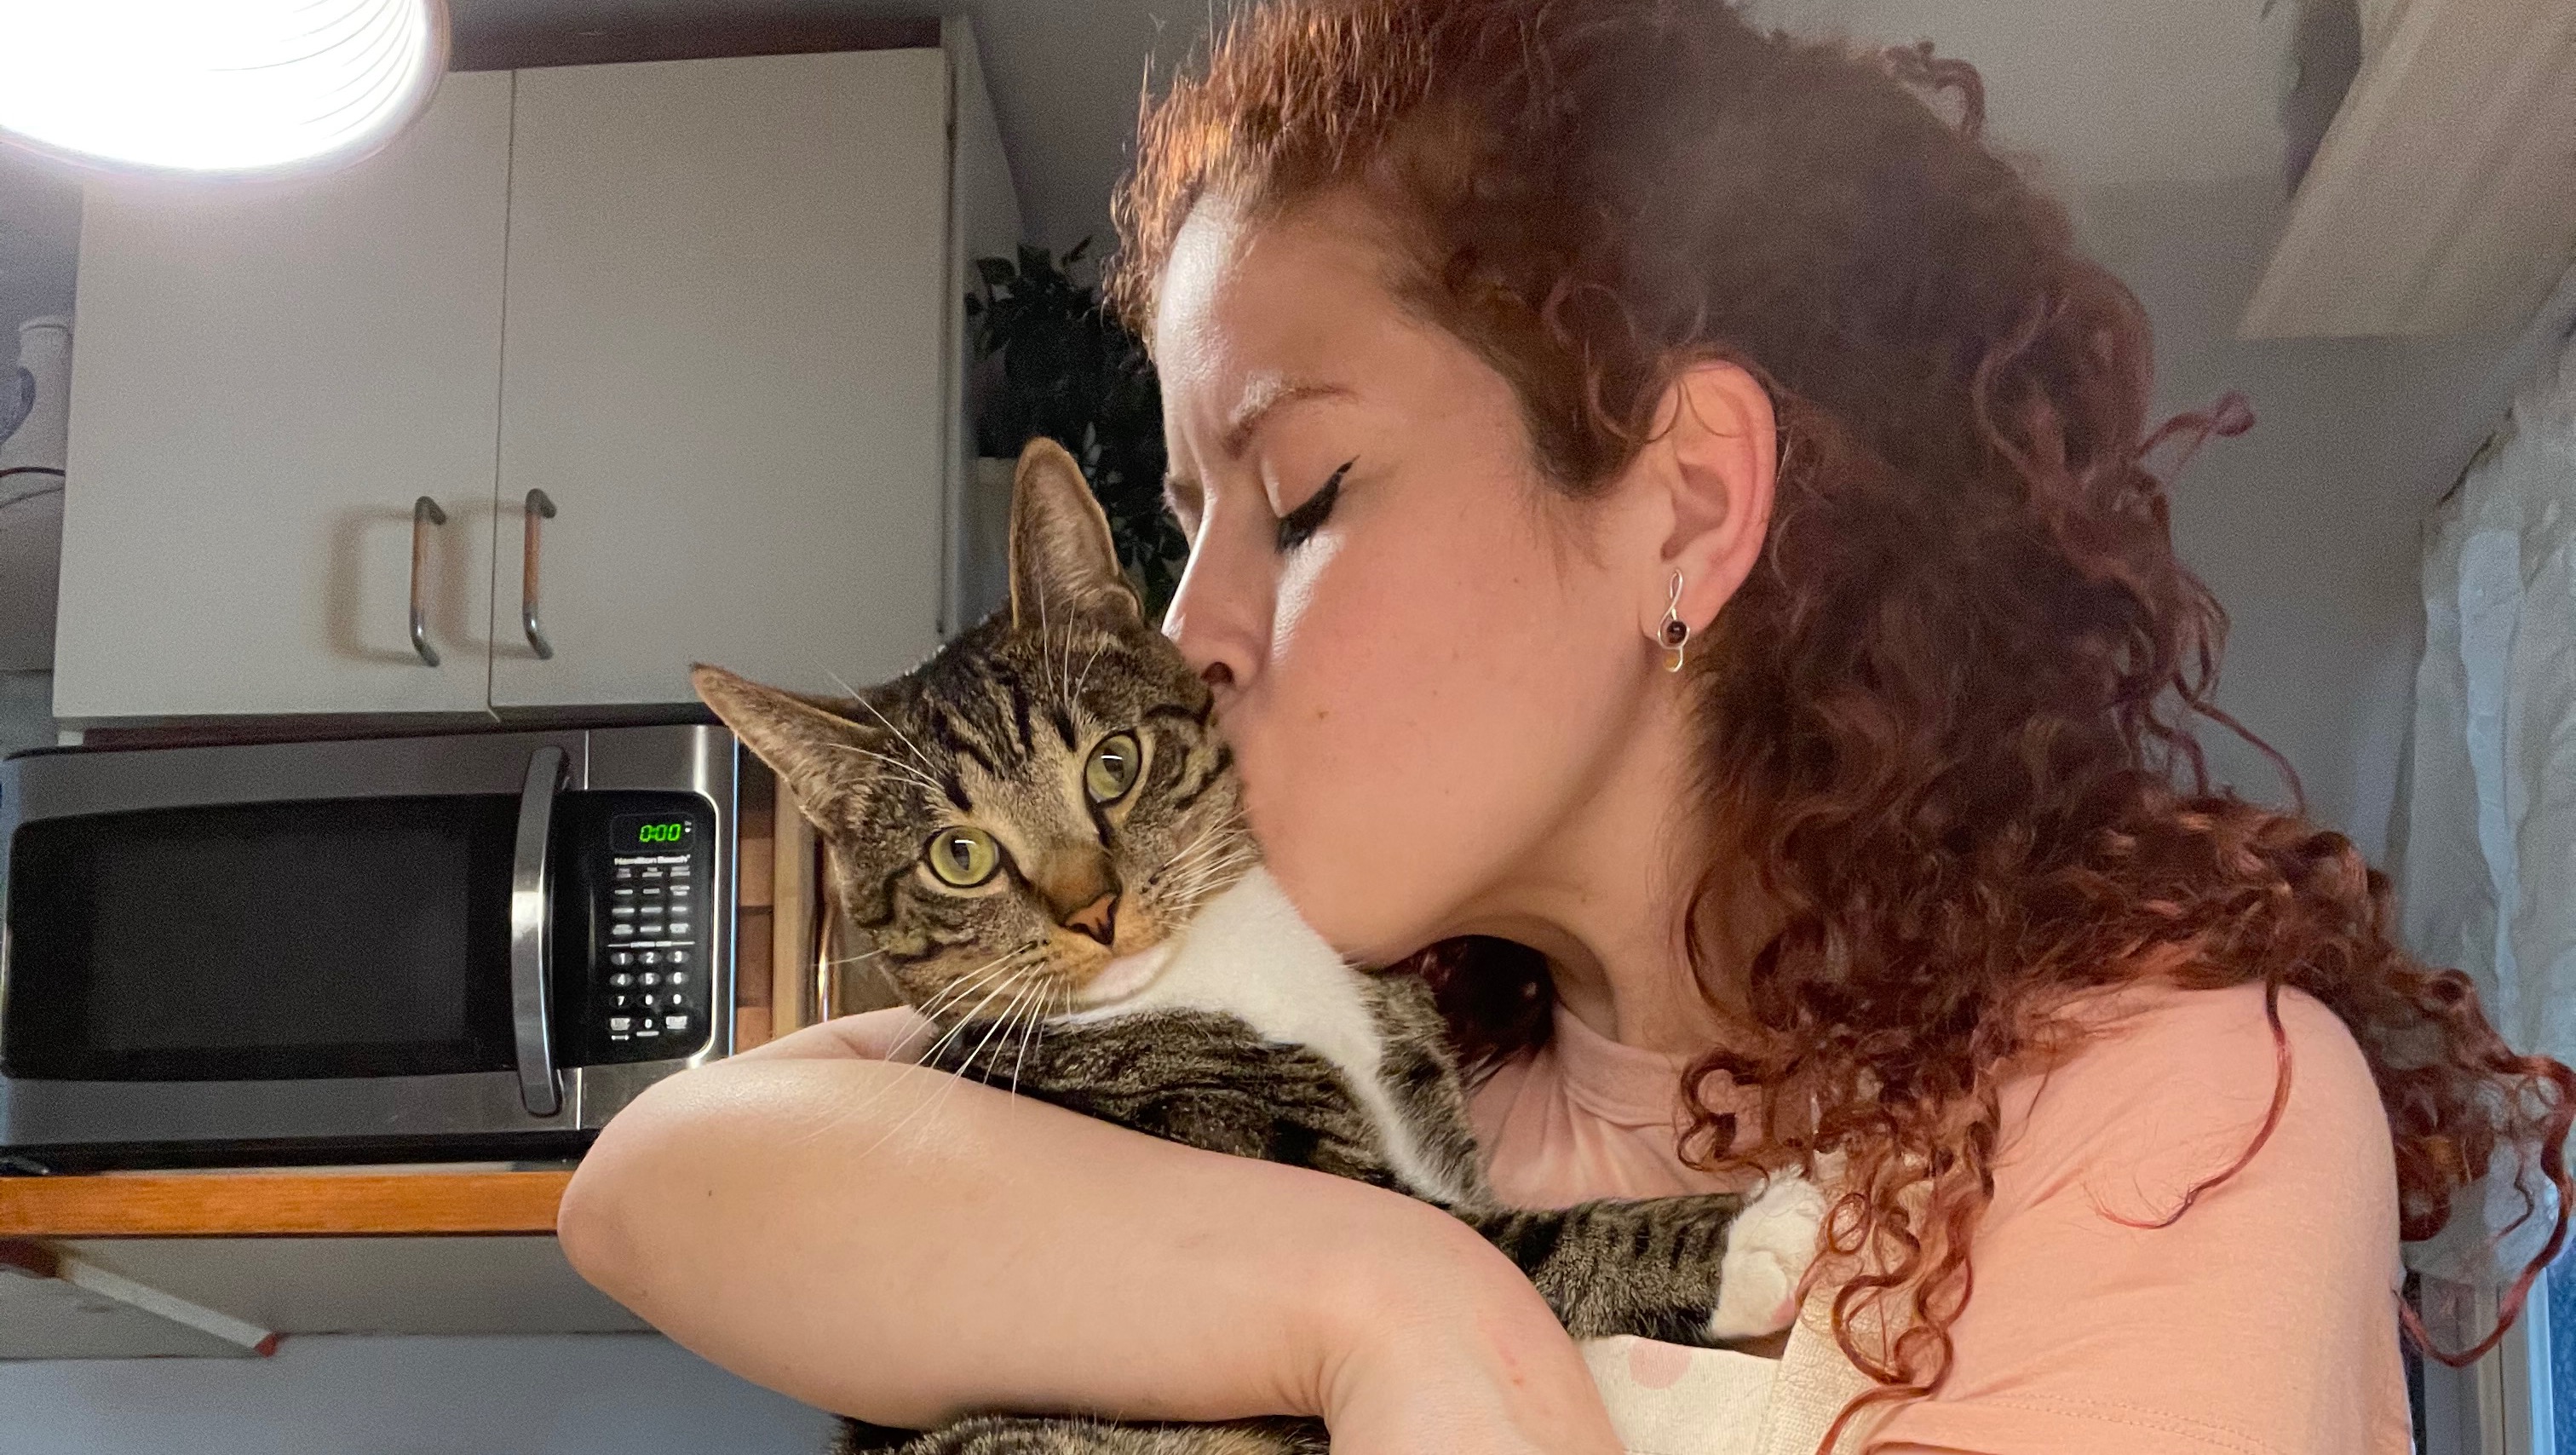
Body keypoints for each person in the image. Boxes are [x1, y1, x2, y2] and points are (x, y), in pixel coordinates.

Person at [556, 2, 2576, 1451]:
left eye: (1300, 498)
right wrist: (1391, 1295)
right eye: (1185, 528)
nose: (1187, 639)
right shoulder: (1363, 1048)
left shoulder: (2166, 1115)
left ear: (1681, 509)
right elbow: (658, 1175)